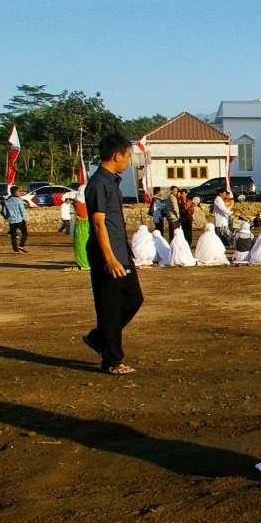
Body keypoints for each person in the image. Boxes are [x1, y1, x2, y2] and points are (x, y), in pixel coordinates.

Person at [84, 133, 144, 375]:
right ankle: (112, 359)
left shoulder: (111, 182)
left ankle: (100, 338)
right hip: (106, 255)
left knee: (133, 298)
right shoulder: (98, 184)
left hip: (120, 250)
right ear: (116, 155)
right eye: (127, 157)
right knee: (109, 307)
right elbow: (98, 224)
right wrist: (109, 258)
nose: (128, 162)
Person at [3, 185, 30, 253]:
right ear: (15, 191)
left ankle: (15, 249)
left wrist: (6, 217)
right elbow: (22, 210)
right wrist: (26, 219)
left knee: (13, 235)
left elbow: (4, 211)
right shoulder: (19, 200)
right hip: (19, 219)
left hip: (11, 220)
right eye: (18, 191)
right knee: (25, 233)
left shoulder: (7, 201)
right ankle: (21, 245)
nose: (19, 193)